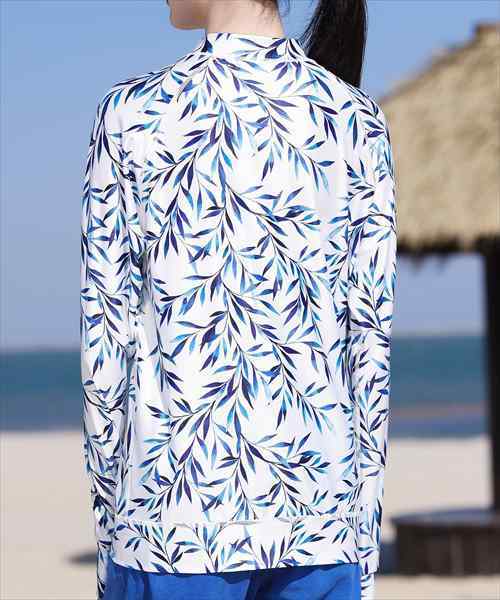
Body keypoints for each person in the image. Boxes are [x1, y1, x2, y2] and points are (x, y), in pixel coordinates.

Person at [79, 0, 398, 599]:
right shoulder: (356, 119)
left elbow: (106, 351)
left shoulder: (132, 113)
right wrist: (362, 550)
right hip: (322, 523)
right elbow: (368, 357)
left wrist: (109, 543)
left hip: (170, 526)